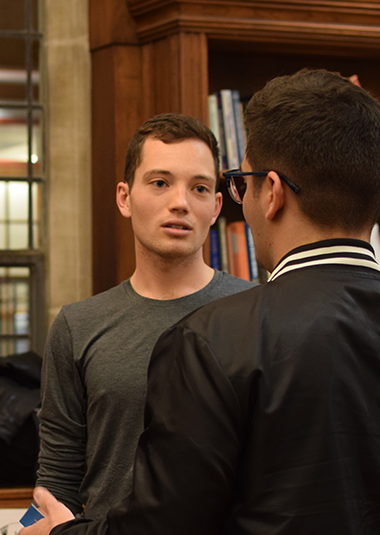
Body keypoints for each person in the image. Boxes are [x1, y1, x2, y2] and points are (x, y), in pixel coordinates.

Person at [22, 69, 380, 535]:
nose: (182, 203)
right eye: (160, 183)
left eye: (227, 184)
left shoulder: (212, 339)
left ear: (272, 193)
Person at [35, 113, 256, 520]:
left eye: (200, 188)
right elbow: (58, 479)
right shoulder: (77, 326)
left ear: (215, 207)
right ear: (124, 198)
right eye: (159, 183)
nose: (180, 202)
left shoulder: (260, 311)